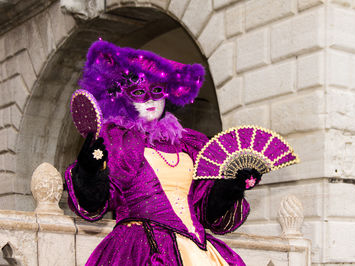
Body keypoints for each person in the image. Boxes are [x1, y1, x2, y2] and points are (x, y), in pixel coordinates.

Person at [65, 40, 261, 265]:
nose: (150, 99)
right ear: (123, 97)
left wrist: (230, 188)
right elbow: (98, 200)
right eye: (138, 92)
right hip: (139, 248)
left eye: (156, 90)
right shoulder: (120, 142)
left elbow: (207, 210)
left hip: (197, 249)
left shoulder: (189, 144)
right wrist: (89, 173)